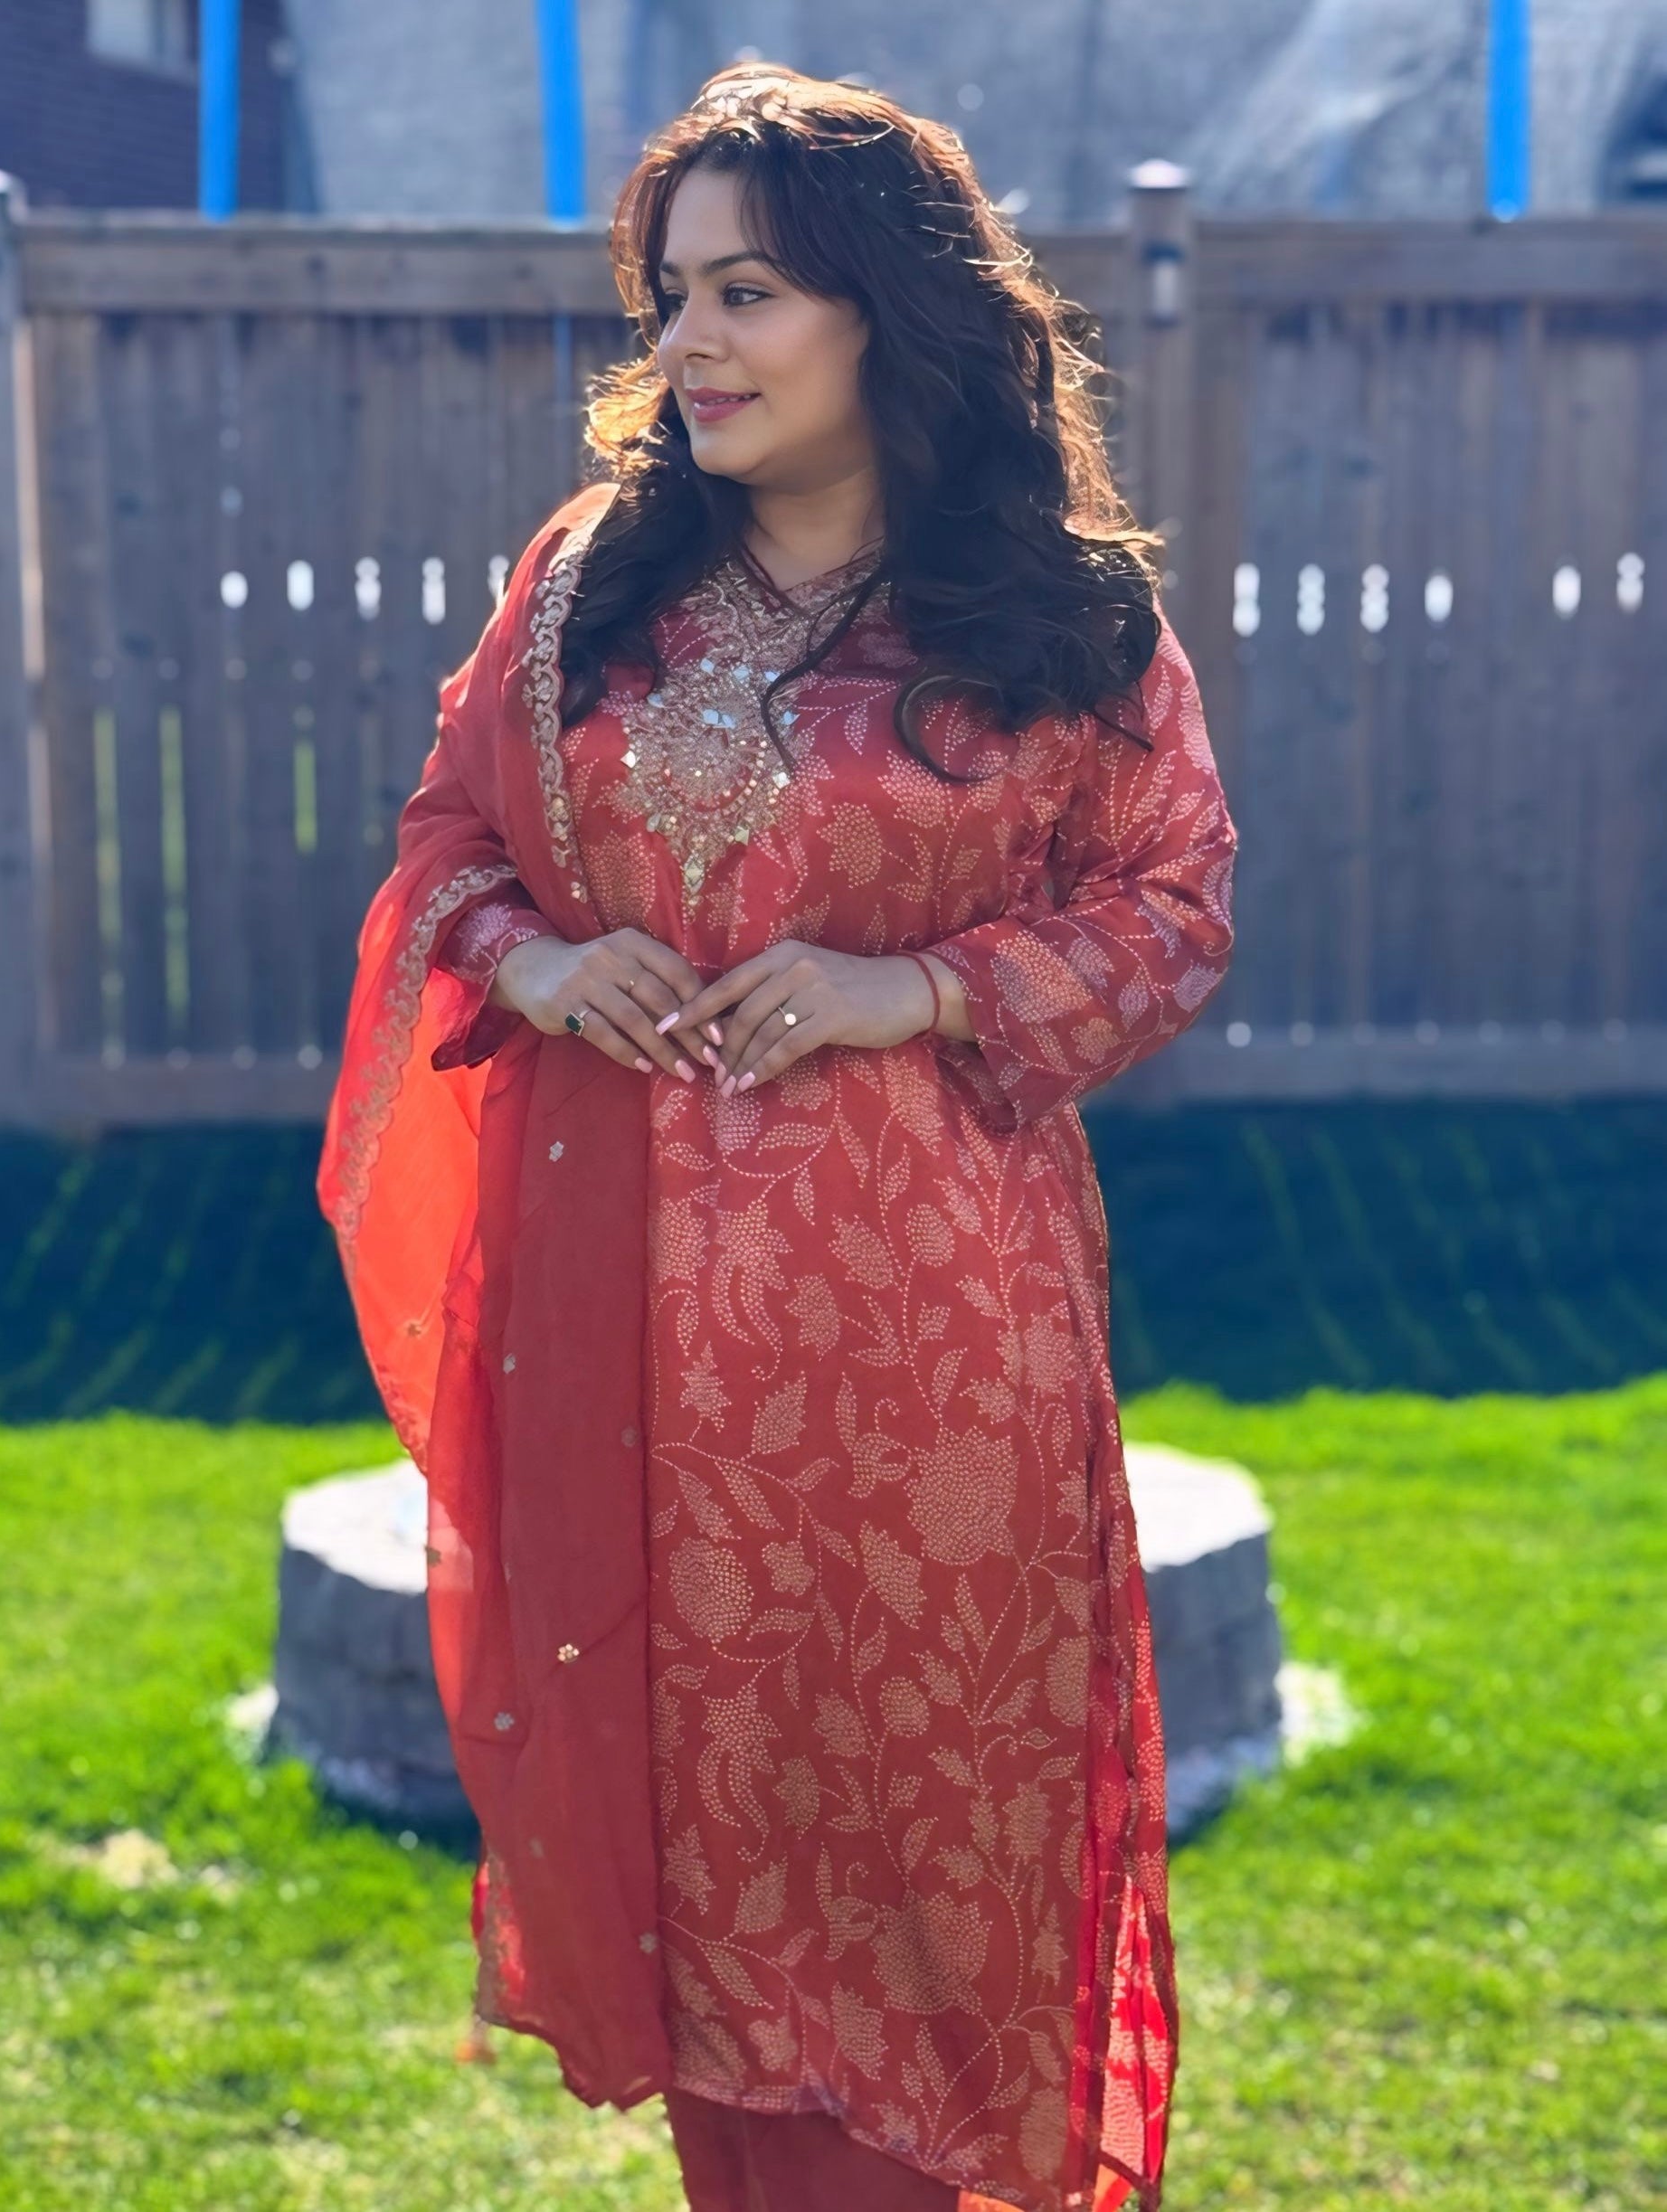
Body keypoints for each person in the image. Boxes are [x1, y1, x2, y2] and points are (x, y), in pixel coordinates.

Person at [317, 61, 1236, 2212]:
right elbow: (451, 835)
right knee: (705, 1854)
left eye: (744, 293)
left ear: (881, 312)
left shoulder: (1059, 615)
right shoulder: (585, 597)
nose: (688, 347)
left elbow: (1174, 909)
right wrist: (534, 966)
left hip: (931, 1359)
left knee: (919, 1848)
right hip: (624, 1342)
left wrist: (903, 987)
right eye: (668, 299)